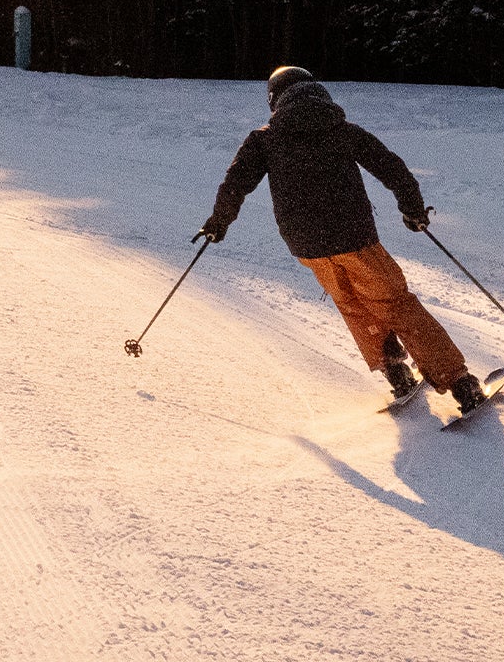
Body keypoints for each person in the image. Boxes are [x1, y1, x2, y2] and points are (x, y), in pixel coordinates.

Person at [197, 65, 482, 412]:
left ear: (274, 100)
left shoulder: (264, 139)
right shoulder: (342, 130)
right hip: (355, 239)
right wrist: (413, 210)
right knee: (395, 304)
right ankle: (459, 383)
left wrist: (218, 223)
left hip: (308, 246)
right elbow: (391, 167)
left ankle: (395, 371)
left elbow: (235, 183)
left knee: (352, 305)